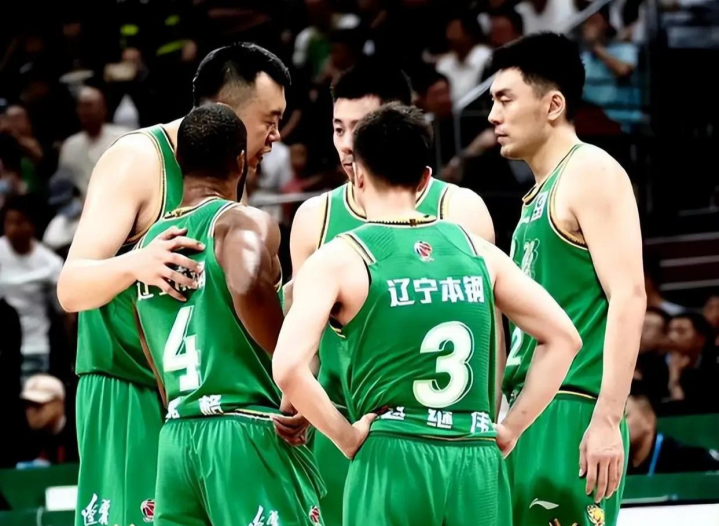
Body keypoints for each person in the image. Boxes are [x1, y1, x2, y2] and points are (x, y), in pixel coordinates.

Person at [273, 104, 582, 526]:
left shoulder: (338, 258)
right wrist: (511, 428)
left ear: (358, 174)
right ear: (424, 179)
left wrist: (345, 437)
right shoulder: (477, 251)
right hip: (475, 454)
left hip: (393, 453)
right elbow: (565, 338)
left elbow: (288, 367)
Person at [57, 42, 293, 526]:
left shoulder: (229, 181)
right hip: (127, 385)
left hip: (196, 405)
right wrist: (136, 264)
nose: (276, 136)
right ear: (224, 112)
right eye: (269, 120)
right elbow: (70, 288)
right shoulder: (138, 159)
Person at [288, 60, 497, 525]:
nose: (346, 143)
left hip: (444, 429)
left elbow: (490, 336)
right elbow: (305, 349)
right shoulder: (314, 217)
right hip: (343, 425)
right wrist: (301, 406)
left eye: (359, 127)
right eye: (338, 128)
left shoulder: (458, 208)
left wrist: (492, 419)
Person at [135, 104, 324, 526]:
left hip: (177, 435)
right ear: (240, 160)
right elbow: (245, 282)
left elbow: (147, 340)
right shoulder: (238, 222)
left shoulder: (149, 245)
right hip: (244, 429)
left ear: (179, 160)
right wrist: (291, 368)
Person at [488, 32, 646, 526]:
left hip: (574, 408)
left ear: (553, 105)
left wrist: (608, 418)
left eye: (505, 99)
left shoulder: (591, 171)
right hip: (528, 408)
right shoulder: (537, 195)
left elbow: (629, 296)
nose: (492, 115)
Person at [626, 394, 719, 475]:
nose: (619, 424)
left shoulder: (690, 460)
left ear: (649, 420)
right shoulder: (623, 462)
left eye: (625, 416)